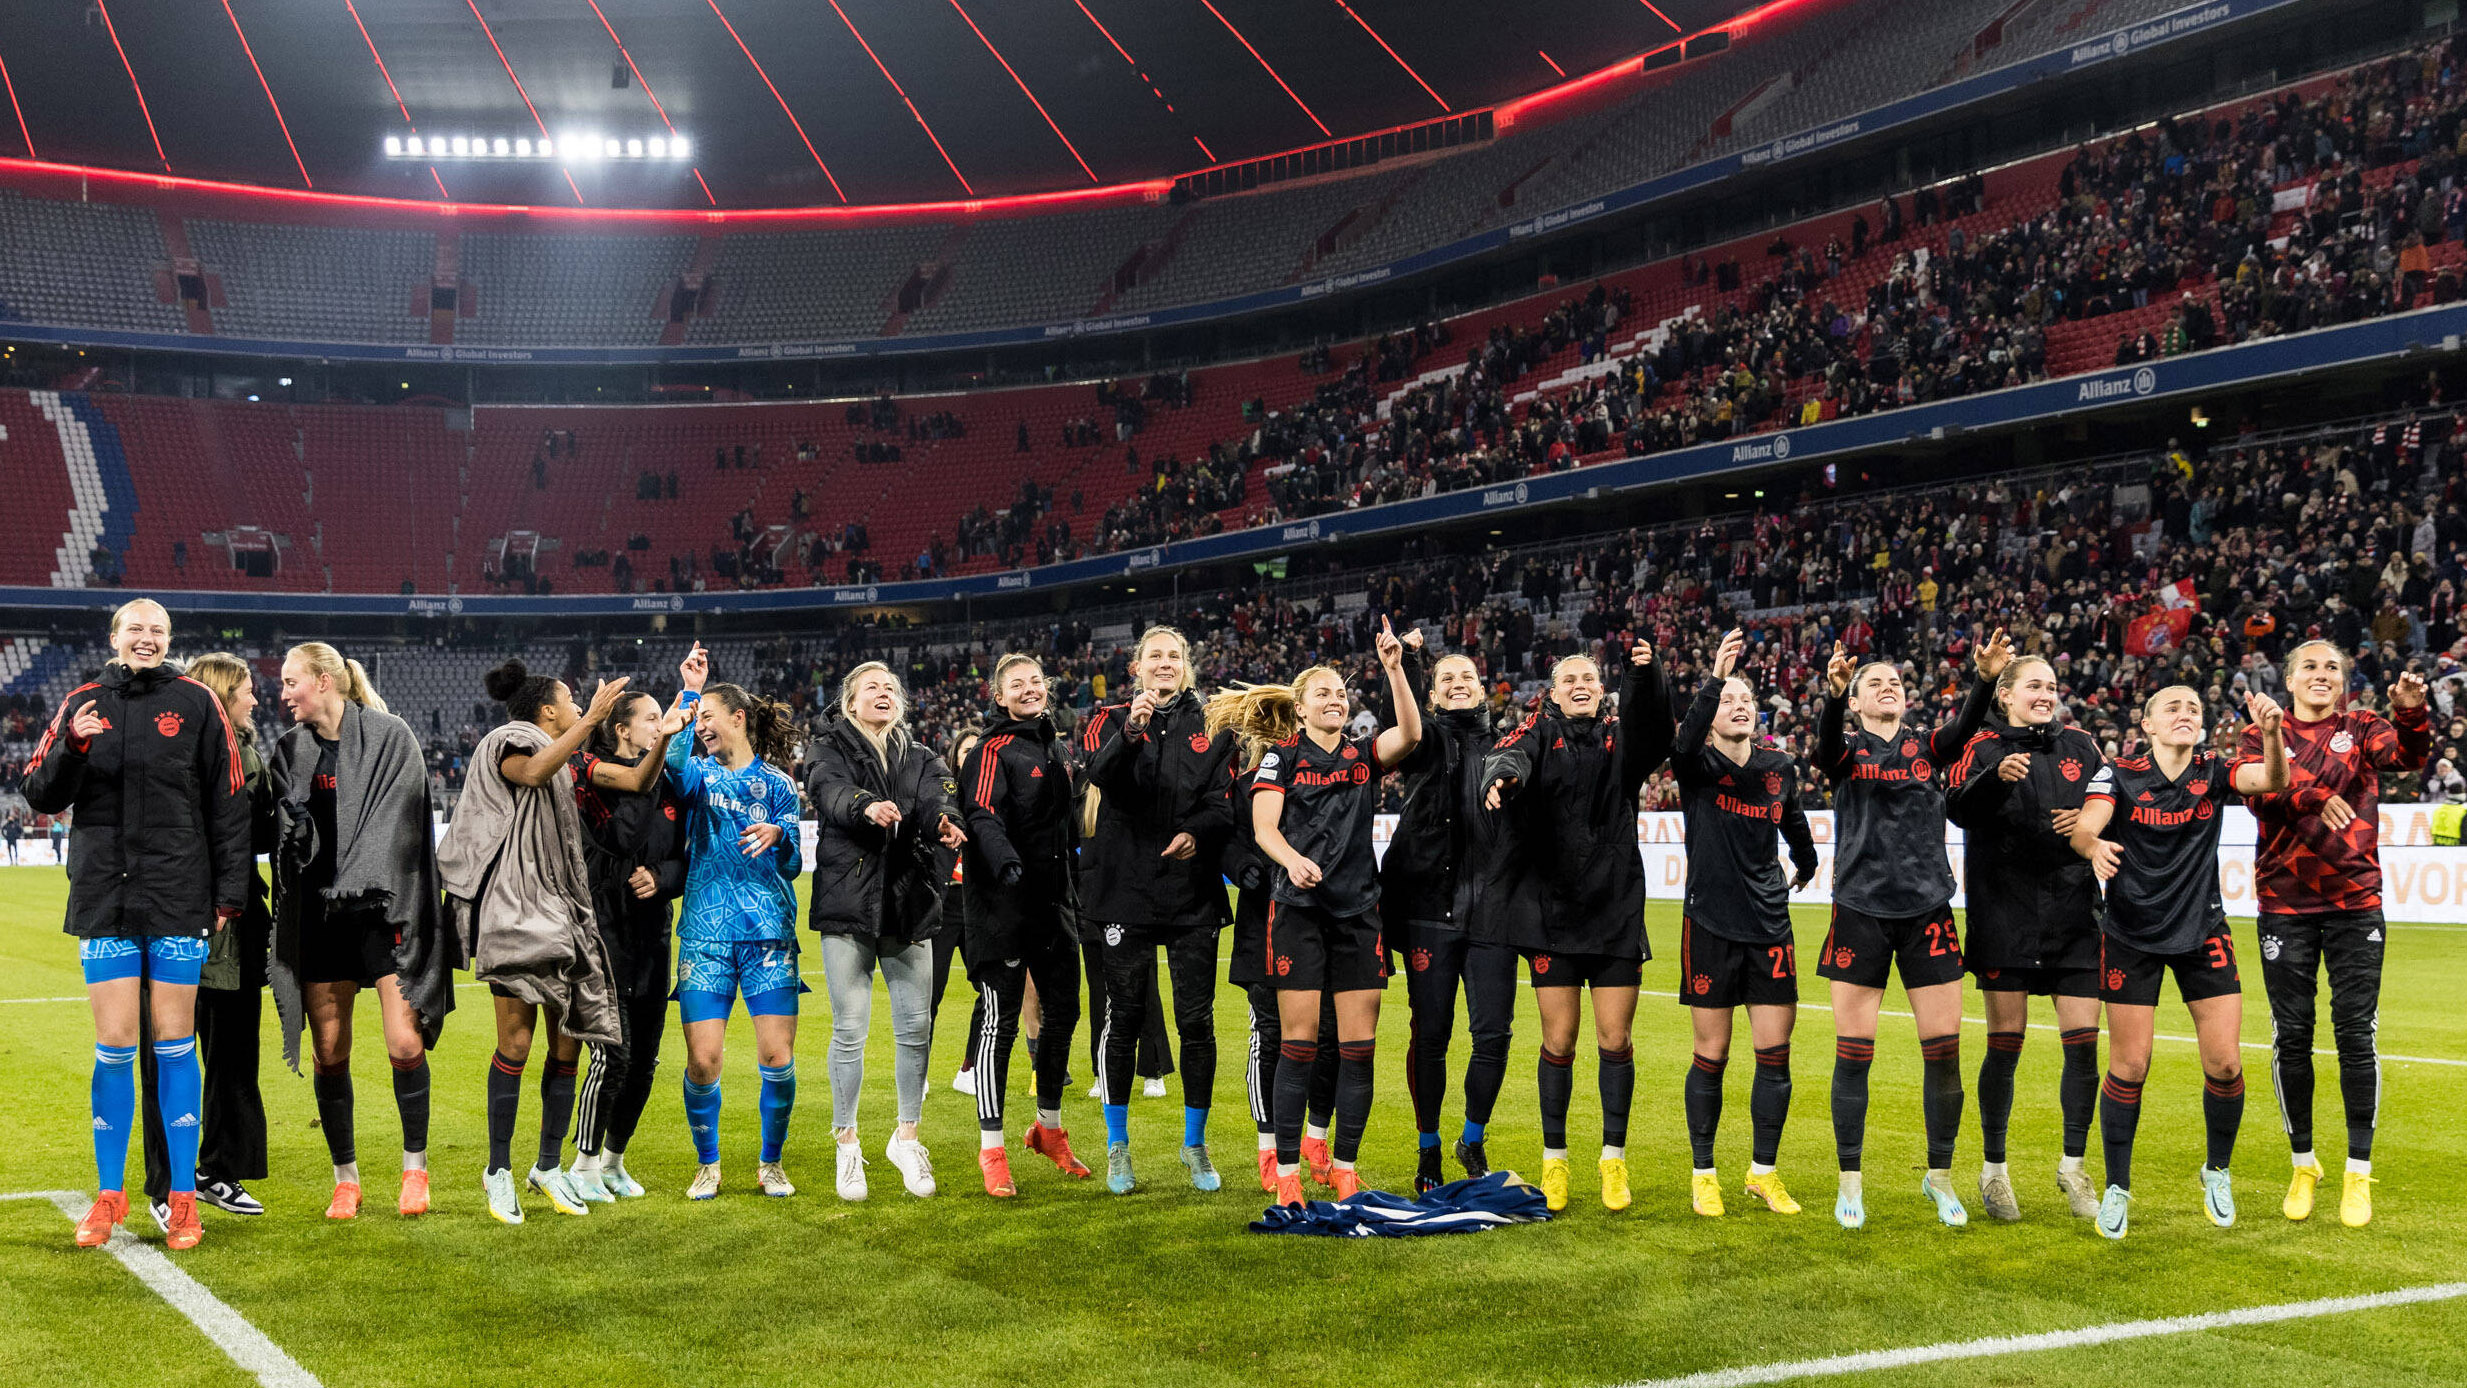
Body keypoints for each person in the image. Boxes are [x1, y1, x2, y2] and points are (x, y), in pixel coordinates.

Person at [25, 599, 248, 1250]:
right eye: (135, 629)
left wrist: (227, 895)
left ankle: (183, 1200)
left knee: (175, 1041)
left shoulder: (199, 704)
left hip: (178, 895)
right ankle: (108, 1198)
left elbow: (228, 805)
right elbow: (40, 793)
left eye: (157, 630)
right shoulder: (80, 702)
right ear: (115, 637)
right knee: (115, 1044)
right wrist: (73, 746)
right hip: (105, 897)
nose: (146, 638)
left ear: (169, 640)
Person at [2070, 685, 2288, 1239]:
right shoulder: (2118, 772)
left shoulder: (2214, 770)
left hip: (2201, 931)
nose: (2186, 713)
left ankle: (2217, 1171)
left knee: (2226, 1065)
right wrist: (2093, 846)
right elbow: (2086, 824)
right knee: (2130, 1066)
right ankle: (2117, 1187)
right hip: (2130, 934)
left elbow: (2272, 780)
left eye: (2194, 707)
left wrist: (2271, 734)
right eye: (2173, 707)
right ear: (2147, 725)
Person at [1216, 617, 1419, 1206]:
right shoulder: (1280, 758)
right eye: (1323, 693)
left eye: (1341, 692)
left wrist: (1395, 669)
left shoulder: (1362, 756)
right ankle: (1286, 1175)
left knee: (1358, 1049)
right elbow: (1263, 827)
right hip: (1299, 912)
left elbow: (1409, 733)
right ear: (1301, 709)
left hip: (1360, 913)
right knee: (1298, 1047)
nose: (1336, 699)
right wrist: (1290, 859)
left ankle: (1346, 1169)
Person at [1814, 629, 2010, 1229]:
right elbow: (1823, 751)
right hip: (1861, 911)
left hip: (1927, 912)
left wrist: (1983, 679)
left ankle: (1940, 1177)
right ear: (1856, 701)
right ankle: (1851, 1181)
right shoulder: (1845, 751)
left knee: (1944, 1051)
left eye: (1895, 681)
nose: (1889, 686)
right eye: (1876, 683)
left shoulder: (1928, 747)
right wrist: (1830, 697)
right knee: (1854, 1053)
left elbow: (1964, 727)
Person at [1477, 638, 1670, 1212]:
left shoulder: (1620, 738)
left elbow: (1654, 729)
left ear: (1602, 689)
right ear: (1554, 693)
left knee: (1616, 1040)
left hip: (1613, 911)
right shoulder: (1539, 730)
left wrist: (1645, 676)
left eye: (1589, 677)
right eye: (1569, 680)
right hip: (1551, 914)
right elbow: (1508, 754)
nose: (1580, 685)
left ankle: (1614, 1160)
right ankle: (1554, 1160)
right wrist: (1503, 778)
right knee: (1558, 1041)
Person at [2240, 641, 2429, 1228]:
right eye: (2311, 667)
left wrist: (2411, 713)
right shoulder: (2260, 734)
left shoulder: (2362, 725)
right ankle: (2303, 1163)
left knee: (2356, 1035)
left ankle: (2357, 1172)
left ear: (2344, 682)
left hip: (2354, 900)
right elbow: (2263, 795)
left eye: (2333, 669)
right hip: (2284, 901)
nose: (2322, 676)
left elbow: (2408, 757)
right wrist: (2319, 797)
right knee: (2291, 1036)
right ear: (2289, 679)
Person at [438, 660, 633, 1225]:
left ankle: (547, 1166)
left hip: (561, 911)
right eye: (571, 700)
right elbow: (530, 773)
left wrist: (669, 735)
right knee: (516, 1046)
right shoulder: (509, 740)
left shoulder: (568, 760)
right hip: (514, 913)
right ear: (548, 710)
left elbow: (635, 780)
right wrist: (592, 718)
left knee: (568, 1043)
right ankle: (498, 1169)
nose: (579, 706)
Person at [269, 641, 454, 1221]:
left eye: (291, 681)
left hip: (384, 911)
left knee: (405, 1042)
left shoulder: (391, 735)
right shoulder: (288, 750)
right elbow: (278, 830)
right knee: (329, 1050)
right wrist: (290, 831)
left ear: (324, 681)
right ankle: (345, 1178)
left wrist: (351, 870)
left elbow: (402, 825)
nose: (284, 693)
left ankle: (414, 1169)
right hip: (319, 918)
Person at [1945, 653, 2108, 1221]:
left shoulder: (2083, 746)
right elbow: (1957, 809)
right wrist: (1995, 779)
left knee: (2084, 1044)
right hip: (2005, 914)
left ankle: (2074, 1166)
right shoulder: (1982, 745)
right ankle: (1994, 1171)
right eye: (2035, 685)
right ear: (2007, 695)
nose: (2046, 693)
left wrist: (2087, 823)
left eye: (2053, 685)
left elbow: (2114, 806)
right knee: (2004, 1044)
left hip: (2073, 915)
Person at [1667, 630, 1819, 1219]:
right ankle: (1704, 1174)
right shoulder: (1695, 764)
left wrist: (1804, 865)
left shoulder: (1779, 767)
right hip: (1709, 923)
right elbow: (1679, 741)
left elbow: (1796, 824)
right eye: (1727, 699)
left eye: (1745, 699)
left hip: (1770, 927)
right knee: (1712, 1054)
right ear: (1710, 718)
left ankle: (1763, 1173)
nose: (1739, 705)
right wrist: (1714, 676)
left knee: (1774, 1054)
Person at [1080, 627, 1235, 1194]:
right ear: (1136, 668)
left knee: (1196, 1021)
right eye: (1155, 657)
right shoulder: (1107, 719)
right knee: (1123, 1019)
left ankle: (1195, 1145)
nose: (1164, 664)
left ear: (1186, 666)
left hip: (1192, 892)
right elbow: (1099, 776)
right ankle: (1118, 1147)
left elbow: (1226, 802)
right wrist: (1133, 730)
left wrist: (1197, 831)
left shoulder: (1215, 723)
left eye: (1174, 656)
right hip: (1126, 890)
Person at [806, 662, 966, 1201]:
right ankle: (847, 1144)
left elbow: (939, 797)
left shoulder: (920, 757)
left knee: (915, 1027)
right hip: (849, 904)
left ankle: (907, 1137)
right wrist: (864, 805)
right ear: (850, 702)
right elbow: (828, 791)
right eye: (871, 687)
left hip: (908, 902)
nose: (884, 693)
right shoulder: (828, 748)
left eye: (891, 688)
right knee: (850, 1028)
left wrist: (943, 820)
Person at [133, 653, 278, 1223]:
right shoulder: (188, 751)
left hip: (239, 920)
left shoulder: (251, 754)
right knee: (167, 1055)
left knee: (235, 1053)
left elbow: (255, 832)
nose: (256, 700)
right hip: (183, 915)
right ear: (221, 694)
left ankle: (220, 1168)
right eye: (247, 691)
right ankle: (168, 1185)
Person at [666, 643, 806, 1201]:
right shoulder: (697, 773)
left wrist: (780, 835)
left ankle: (770, 1164)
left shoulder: (776, 784)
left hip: (768, 932)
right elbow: (672, 765)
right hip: (705, 931)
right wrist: (690, 692)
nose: (701, 727)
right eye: (698, 720)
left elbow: (793, 862)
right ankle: (709, 1163)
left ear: (739, 718)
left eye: (707, 718)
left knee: (778, 1057)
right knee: (703, 1061)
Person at [1382, 633, 1514, 1194]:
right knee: (1430, 1035)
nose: (1458, 684)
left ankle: (1473, 1138)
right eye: (1446, 680)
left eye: (1467, 677)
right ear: (1433, 695)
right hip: (1428, 913)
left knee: (1493, 1036)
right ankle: (1429, 1147)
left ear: (1483, 689)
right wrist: (1406, 664)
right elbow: (1406, 719)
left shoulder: (1510, 742)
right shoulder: (1424, 737)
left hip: (1492, 914)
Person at [959, 653, 1093, 1196]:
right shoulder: (992, 749)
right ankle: (992, 1150)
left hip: (1054, 905)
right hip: (1002, 905)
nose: (1030, 688)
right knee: (1001, 1022)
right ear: (1000, 697)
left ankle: (1048, 1128)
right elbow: (981, 813)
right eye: (1017, 684)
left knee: (1064, 1010)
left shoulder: (1056, 747)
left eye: (1036, 680)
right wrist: (1006, 862)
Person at [567, 690, 689, 1203]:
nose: (661, 726)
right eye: (651, 719)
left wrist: (662, 877)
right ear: (623, 730)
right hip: (603, 931)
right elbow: (619, 837)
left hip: (652, 934)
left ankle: (615, 1161)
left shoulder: (669, 783)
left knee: (645, 1060)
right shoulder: (593, 778)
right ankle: (583, 1163)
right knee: (612, 1057)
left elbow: (688, 857)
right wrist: (649, 769)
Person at [937, 725, 985, 1095]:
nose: (971, 756)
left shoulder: (994, 795)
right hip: (943, 904)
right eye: (965, 751)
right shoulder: (939, 795)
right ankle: (917, 1074)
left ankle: (969, 1068)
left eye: (977, 750)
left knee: (989, 990)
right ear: (954, 758)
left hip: (979, 903)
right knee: (928, 997)